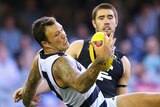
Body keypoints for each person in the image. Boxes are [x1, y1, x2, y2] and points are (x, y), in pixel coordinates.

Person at [13, 16, 160, 107]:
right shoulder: (60, 64)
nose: (63, 35)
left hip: (105, 103)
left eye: (62, 29)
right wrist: (100, 59)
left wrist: (27, 99)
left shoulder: (39, 57)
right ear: (46, 43)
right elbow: (81, 85)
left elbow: (30, 85)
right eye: (57, 34)